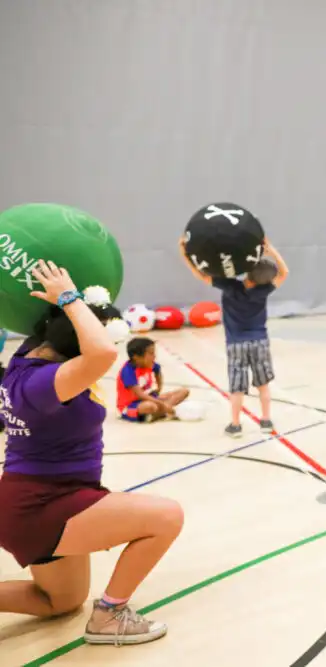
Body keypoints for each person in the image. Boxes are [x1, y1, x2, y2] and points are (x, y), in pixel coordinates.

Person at [0, 261, 184, 645]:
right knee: (166, 517)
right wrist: (69, 297)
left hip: (32, 500)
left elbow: (65, 328)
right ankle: (110, 616)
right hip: (44, 503)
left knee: (60, 601)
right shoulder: (42, 385)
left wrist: (67, 295)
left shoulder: (27, 360)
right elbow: (100, 353)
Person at [179, 236, 289, 437]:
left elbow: (199, 274)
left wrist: (185, 254)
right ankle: (265, 420)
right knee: (263, 383)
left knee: (237, 386)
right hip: (260, 342)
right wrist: (271, 250)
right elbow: (285, 272)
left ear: (248, 274)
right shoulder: (263, 291)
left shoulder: (230, 286)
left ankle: (236, 424)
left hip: (235, 343)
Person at [117, 337, 190, 422]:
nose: (154, 356)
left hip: (149, 397)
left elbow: (157, 371)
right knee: (150, 406)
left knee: (184, 391)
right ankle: (163, 411)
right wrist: (162, 404)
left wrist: (159, 388)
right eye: (151, 353)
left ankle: (158, 413)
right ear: (136, 357)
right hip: (131, 404)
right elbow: (140, 395)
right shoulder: (128, 371)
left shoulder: (149, 364)